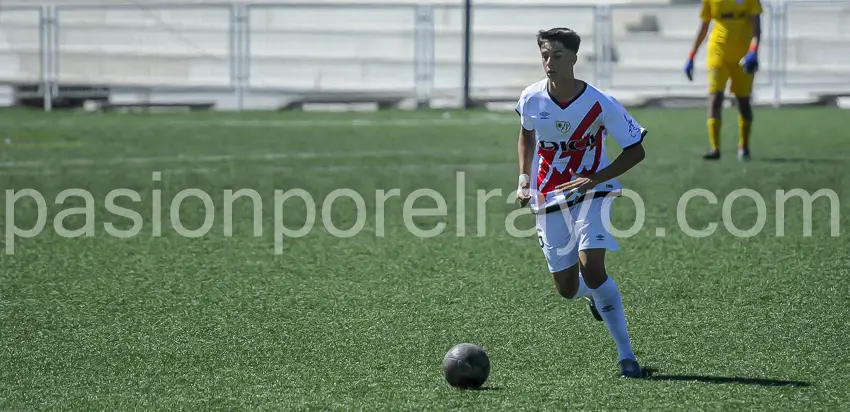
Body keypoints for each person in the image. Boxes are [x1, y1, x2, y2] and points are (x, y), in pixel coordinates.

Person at [514, 27, 647, 378]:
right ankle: (592, 295)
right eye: (544, 55)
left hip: (592, 191)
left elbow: (636, 150)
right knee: (567, 289)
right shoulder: (531, 98)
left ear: (573, 58)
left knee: (593, 268)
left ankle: (627, 357)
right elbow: (526, 133)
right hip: (547, 197)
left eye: (556, 55)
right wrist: (524, 179)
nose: (549, 62)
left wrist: (596, 178)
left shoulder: (600, 103)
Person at [684, 0, 762, 161]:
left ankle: (744, 146)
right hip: (718, 52)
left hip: (743, 53)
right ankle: (715, 148)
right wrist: (692, 55)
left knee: (743, 101)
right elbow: (704, 25)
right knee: (715, 97)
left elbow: (757, 25)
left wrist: (754, 50)